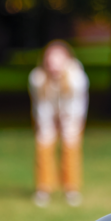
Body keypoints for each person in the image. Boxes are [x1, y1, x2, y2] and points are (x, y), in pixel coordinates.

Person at [29, 40, 89, 207]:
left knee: (71, 147)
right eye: (50, 59)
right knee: (43, 145)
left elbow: (76, 105)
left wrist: (67, 123)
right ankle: (43, 189)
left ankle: (71, 189)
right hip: (47, 115)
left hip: (71, 115)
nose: (53, 64)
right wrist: (47, 125)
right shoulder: (37, 78)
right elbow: (41, 105)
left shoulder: (77, 77)